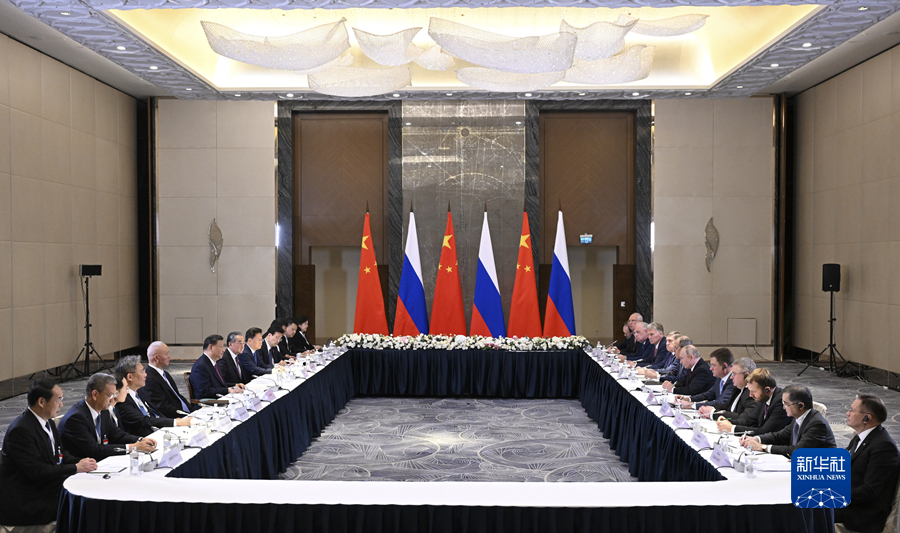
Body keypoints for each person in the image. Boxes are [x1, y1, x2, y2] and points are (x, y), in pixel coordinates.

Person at [0, 379, 97, 526]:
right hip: (27, 500)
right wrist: (76, 467)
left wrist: (82, 462)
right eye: (58, 400)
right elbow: (37, 471)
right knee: (82, 507)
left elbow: (60, 454)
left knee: (88, 492)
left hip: (46, 488)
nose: (62, 405)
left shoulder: (48, 421)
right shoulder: (20, 431)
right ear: (41, 402)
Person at [834, 394, 900, 533]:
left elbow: (870, 491)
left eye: (852, 410)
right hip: (851, 499)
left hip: (862, 514)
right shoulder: (862, 436)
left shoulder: (884, 447)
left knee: (806, 509)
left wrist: (834, 494)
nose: (847, 413)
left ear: (867, 418)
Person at [58, 373, 157, 461]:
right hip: (81, 467)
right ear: (95, 394)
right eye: (109, 395)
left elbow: (117, 434)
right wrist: (132, 447)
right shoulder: (76, 418)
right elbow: (93, 450)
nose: (112, 400)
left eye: (114, 395)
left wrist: (140, 440)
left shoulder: (103, 410)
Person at [740, 384, 835, 457]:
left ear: (800, 405)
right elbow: (779, 436)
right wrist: (756, 439)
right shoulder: (798, 417)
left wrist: (763, 447)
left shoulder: (817, 424)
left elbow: (797, 451)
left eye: (786, 404)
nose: (783, 407)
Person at [115, 355, 192, 437]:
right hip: (144, 438)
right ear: (130, 377)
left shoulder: (139, 392)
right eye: (141, 371)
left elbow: (153, 414)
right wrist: (175, 422)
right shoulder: (122, 399)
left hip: (159, 432)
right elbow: (143, 420)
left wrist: (172, 421)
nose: (145, 374)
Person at [716, 368, 791, 435]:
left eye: (753, 391)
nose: (750, 395)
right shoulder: (763, 397)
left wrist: (732, 428)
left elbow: (764, 431)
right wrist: (727, 422)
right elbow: (750, 420)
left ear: (767, 390)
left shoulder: (780, 402)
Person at [139, 341, 196, 417]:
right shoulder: (150, 379)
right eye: (166, 354)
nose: (169, 357)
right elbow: (162, 407)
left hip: (183, 414)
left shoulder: (165, 374)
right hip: (175, 418)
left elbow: (178, 397)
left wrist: (194, 412)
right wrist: (187, 416)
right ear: (156, 357)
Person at [697, 358, 760, 423]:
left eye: (734, 374)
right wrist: (706, 408)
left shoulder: (753, 394)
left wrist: (712, 412)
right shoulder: (737, 388)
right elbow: (726, 405)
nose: (731, 377)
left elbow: (743, 417)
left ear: (746, 376)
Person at [188, 334, 245, 400]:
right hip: (208, 403)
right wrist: (228, 390)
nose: (223, 350)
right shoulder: (201, 366)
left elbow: (219, 385)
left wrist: (234, 386)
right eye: (221, 347)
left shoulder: (212, 363)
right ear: (211, 347)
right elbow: (204, 391)